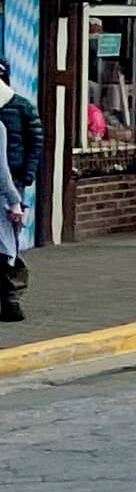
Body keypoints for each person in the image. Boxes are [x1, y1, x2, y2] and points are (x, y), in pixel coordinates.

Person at [0, 56, 38, 322]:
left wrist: (24, 178)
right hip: (7, 182)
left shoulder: (22, 107)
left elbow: (35, 143)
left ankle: (12, 298)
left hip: (13, 183)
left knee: (10, 242)